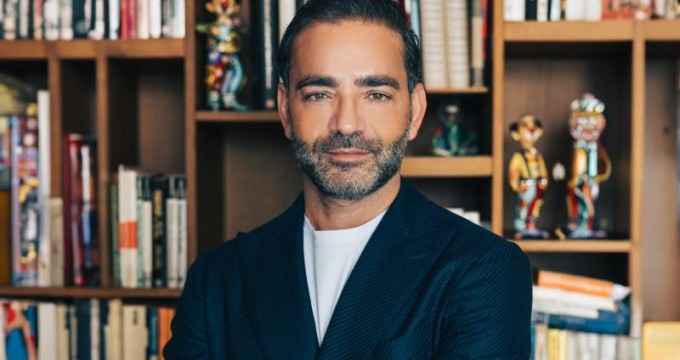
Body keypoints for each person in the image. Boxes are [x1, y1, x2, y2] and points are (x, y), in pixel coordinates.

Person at [164, 0, 532, 358]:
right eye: (320, 94)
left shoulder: (484, 269)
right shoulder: (217, 280)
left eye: (376, 94)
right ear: (285, 110)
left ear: (415, 111)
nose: (346, 123)